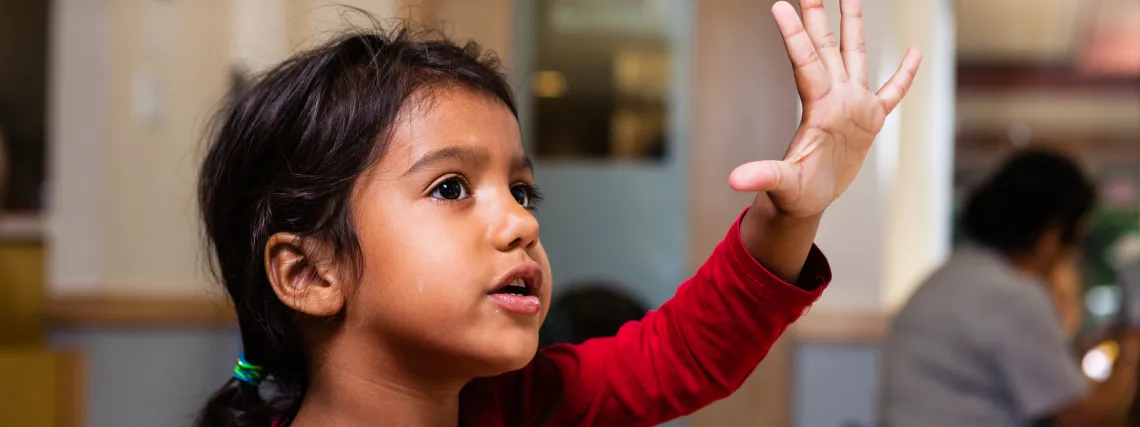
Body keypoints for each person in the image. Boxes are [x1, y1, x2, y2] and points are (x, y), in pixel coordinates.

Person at [194, 0, 921, 426]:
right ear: (309, 270)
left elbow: (683, 352)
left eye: (522, 190)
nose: (521, 222)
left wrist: (793, 213)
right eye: (451, 188)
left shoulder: (523, 404)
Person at [879, 149, 1140, 427]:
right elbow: (1088, 418)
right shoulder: (1012, 296)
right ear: (1052, 235)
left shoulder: (957, 274)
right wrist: (1130, 351)